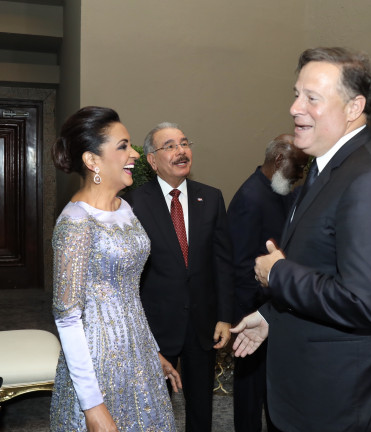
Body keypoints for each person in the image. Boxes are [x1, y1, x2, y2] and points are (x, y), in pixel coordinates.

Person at [231, 47, 371, 431]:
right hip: (314, 392)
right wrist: (271, 316)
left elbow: (364, 303)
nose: (294, 107)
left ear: (354, 107)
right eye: (296, 95)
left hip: (343, 400)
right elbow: (323, 265)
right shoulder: (328, 169)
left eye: (311, 98)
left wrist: (278, 274)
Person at [49, 106, 178, 432]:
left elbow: (130, 292)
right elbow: (67, 318)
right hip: (97, 364)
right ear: (92, 160)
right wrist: (92, 405)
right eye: (122, 146)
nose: (134, 153)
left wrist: (152, 350)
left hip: (138, 355)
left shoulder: (125, 209)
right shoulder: (75, 222)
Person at [124, 123, 234, 432]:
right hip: (155, 324)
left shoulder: (211, 197)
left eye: (184, 143)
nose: (181, 151)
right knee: (152, 407)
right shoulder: (132, 203)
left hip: (202, 321)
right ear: (152, 160)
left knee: (201, 405)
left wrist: (225, 316)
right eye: (170, 146)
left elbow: (223, 262)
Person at [227, 134, 307, 432]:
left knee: (273, 384)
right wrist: (259, 311)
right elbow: (240, 264)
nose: (301, 174)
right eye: (299, 166)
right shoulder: (250, 198)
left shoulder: (278, 190)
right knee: (250, 388)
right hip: (254, 308)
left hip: (274, 306)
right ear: (279, 160)